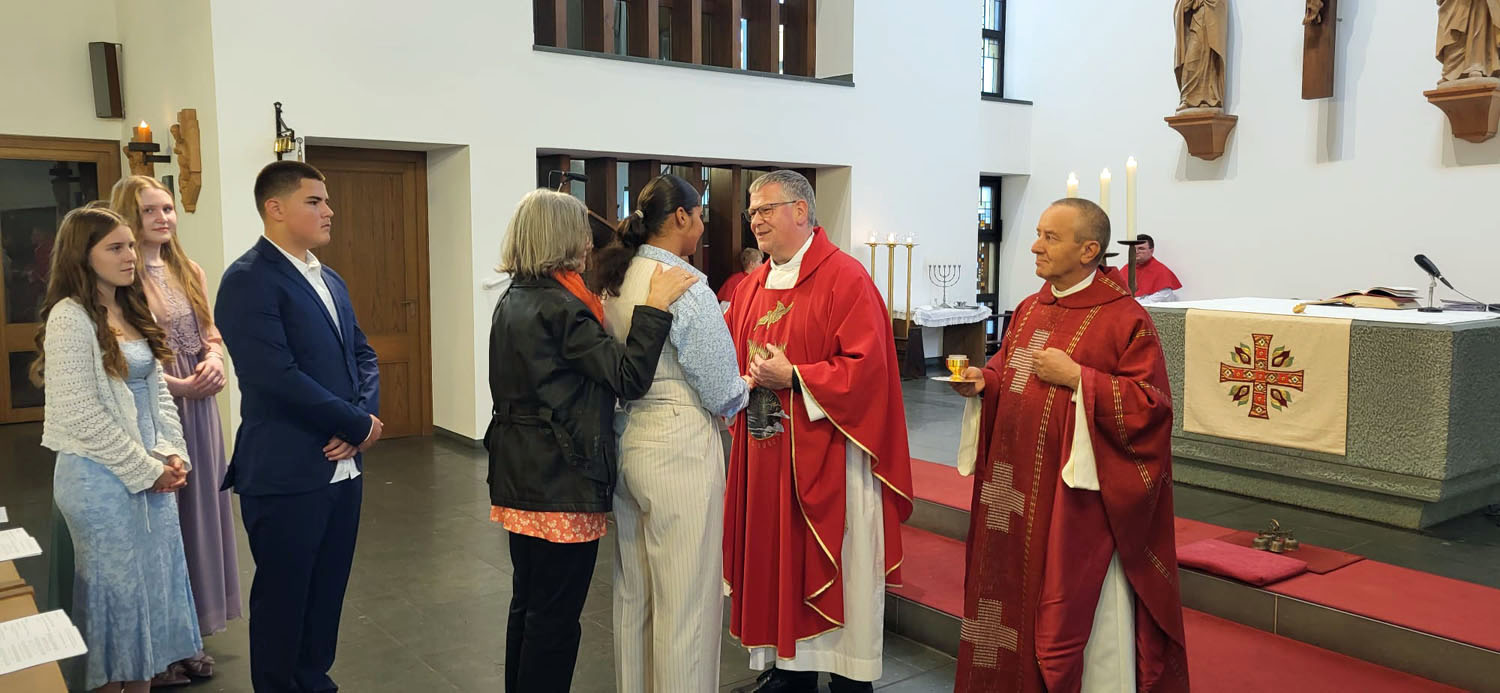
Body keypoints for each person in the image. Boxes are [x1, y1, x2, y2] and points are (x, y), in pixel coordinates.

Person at [950, 198, 1187, 692]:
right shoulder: (1033, 307)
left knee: (1065, 616)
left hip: (1075, 506)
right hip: (1010, 492)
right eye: (1038, 233)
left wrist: (1080, 378)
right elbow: (1007, 369)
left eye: (1049, 237)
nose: (1034, 246)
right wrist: (982, 383)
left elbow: (1152, 407)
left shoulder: (1124, 318)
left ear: (1089, 250)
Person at [487, 189, 697, 693]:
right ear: (563, 237)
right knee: (555, 620)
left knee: (529, 605)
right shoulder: (563, 308)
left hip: (520, 473)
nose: (589, 239)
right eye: (581, 229)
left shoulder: (515, 296)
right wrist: (654, 308)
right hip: (560, 478)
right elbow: (627, 377)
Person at [723, 170, 914, 693]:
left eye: (766, 210)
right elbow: (741, 357)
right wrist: (747, 378)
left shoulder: (846, 278)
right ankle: (790, 668)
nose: (756, 221)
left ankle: (849, 676)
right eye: (752, 213)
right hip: (767, 452)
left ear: (802, 212)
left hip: (831, 454)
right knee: (778, 560)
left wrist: (797, 376)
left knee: (839, 568)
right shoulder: (752, 285)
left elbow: (869, 371)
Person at [215, 160, 382, 693]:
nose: (329, 210)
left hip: (343, 468)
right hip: (287, 467)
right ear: (276, 208)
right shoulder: (248, 279)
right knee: (284, 599)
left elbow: (363, 354)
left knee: (327, 591)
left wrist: (360, 422)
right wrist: (355, 422)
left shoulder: (329, 277)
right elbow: (273, 376)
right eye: (315, 201)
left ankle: (315, 680)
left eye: (327, 200)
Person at [33, 206, 201, 692]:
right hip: (99, 481)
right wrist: (144, 467)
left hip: (152, 473)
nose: (131, 255)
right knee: (117, 603)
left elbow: (160, 393)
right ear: (82, 257)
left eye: (130, 244)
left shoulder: (130, 308)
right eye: (115, 247)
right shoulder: (70, 318)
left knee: (150, 598)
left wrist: (172, 453)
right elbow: (83, 415)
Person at [594, 175, 750, 692]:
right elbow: (721, 387)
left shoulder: (619, 276)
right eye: (700, 215)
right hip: (679, 447)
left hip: (629, 439)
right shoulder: (684, 284)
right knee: (686, 602)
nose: (702, 226)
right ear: (681, 217)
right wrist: (748, 383)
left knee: (634, 595)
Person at [111, 175, 238, 685]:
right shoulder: (122, 273)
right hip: (155, 405)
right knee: (164, 524)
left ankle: (190, 634)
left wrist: (215, 360)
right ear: (129, 216)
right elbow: (124, 354)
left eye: (168, 208)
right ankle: (159, 647)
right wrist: (178, 387)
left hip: (200, 409)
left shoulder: (190, 269)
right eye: (150, 211)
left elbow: (210, 332)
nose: (164, 217)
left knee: (200, 514)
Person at [1132, 234, 1182, 304]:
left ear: (1151, 251)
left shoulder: (1161, 270)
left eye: (1141, 248)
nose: (1136, 252)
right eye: (1133, 249)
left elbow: (1163, 297)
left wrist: (1133, 302)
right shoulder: (1127, 269)